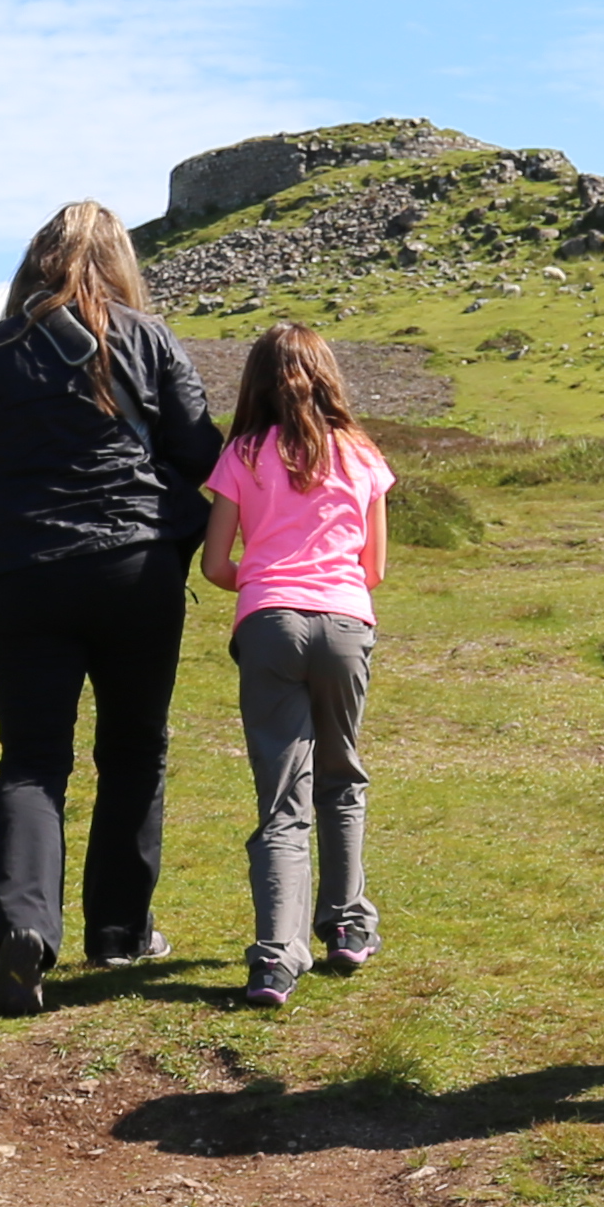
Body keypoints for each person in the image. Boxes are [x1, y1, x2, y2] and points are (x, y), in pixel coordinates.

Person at [0, 201, 222, 1015]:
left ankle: (25, 929)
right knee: (133, 749)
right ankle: (120, 932)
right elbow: (201, 452)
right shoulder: (150, 338)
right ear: (121, 262)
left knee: (31, 759)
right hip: (135, 569)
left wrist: (28, 488)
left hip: (24, 573)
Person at [188, 322, 392, 1012]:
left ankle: (276, 960)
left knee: (283, 797)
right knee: (343, 775)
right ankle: (347, 926)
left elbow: (216, 565)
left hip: (269, 623)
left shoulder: (242, 453)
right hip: (344, 622)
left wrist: (264, 581)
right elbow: (376, 568)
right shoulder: (362, 453)